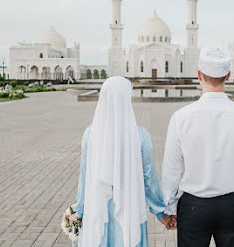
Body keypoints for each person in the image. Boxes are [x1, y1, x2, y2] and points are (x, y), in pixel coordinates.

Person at [161, 47, 234, 247]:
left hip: (193, 207)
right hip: (233, 207)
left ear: (199, 74)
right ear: (228, 76)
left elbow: (171, 169)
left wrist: (170, 207)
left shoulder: (181, 118)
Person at [69, 76, 173, 247]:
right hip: (130, 213)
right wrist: (162, 213)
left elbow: (84, 176)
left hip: (98, 213)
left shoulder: (91, 135)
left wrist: (79, 210)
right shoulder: (140, 137)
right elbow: (149, 180)